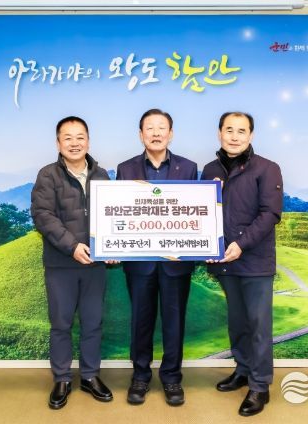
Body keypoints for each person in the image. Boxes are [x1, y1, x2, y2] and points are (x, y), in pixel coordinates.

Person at [201, 112, 283, 417]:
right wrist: (204, 245)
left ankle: (260, 386)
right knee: (237, 321)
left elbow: (270, 214)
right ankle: (243, 369)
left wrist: (240, 244)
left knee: (258, 325)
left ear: (251, 135)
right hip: (225, 261)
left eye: (241, 131)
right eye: (229, 130)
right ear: (219, 133)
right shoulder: (210, 170)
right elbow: (202, 213)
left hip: (255, 261)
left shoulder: (268, 168)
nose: (234, 136)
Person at [31, 116, 113, 410]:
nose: (75, 143)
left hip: (95, 265)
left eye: (80, 137)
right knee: (61, 324)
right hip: (61, 265)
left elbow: (113, 216)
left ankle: (90, 376)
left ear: (88, 141)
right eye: (68, 137)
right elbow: (43, 216)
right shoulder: (47, 175)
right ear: (58, 143)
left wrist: (113, 246)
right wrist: (72, 246)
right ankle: (62, 379)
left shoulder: (102, 175)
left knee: (93, 323)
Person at [116, 109, 197, 406]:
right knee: (141, 321)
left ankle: (172, 378)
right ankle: (140, 376)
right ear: (141, 135)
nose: (156, 133)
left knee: (174, 322)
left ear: (171, 134)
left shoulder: (189, 168)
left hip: (176, 262)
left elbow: (195, 212)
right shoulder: (125, 169)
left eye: (161, 127)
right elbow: (118, 211)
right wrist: (111, 247)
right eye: (149, 128)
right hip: (139, 262)